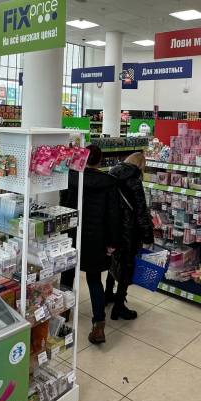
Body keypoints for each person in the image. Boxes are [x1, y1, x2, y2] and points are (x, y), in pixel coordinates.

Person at [59, 144, 123, 345]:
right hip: (97, 239)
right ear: (100, 160)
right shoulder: (110, 183)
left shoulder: (71, 178)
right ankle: (98, 324)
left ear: (83, 158)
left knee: (67, 275)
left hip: (72, 234)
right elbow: (114, 216)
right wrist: (113, 242)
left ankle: (62, 314)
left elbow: (63, 206)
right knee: (94, 279)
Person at [105, 152, 153, 320]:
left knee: (113, 260)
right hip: (128, 230)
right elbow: (141, 212)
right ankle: (119, 307)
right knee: (126, 266)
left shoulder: (111, 173)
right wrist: (148, 236)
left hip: (112, 228)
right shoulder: (134, 181)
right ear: (140, 165)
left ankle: (107, 294)